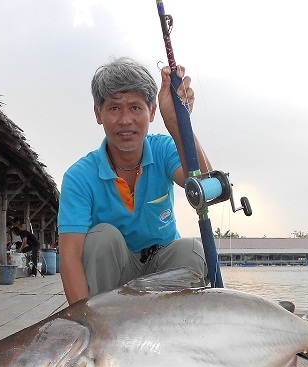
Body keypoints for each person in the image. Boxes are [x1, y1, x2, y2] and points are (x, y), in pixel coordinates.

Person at [57, 57, 209, 305]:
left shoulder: (163, 149)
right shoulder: (78, 176)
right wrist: (82, 322)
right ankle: (101, 329)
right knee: (101, 238)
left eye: (136, 107)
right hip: (112, 285)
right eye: (114, 108)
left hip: (163, 271)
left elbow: (205, 186)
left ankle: (177, 333)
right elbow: (70, 255)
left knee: (190, 248)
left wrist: (177, 121)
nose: (126, 120)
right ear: (98, 113)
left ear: (152, 112)